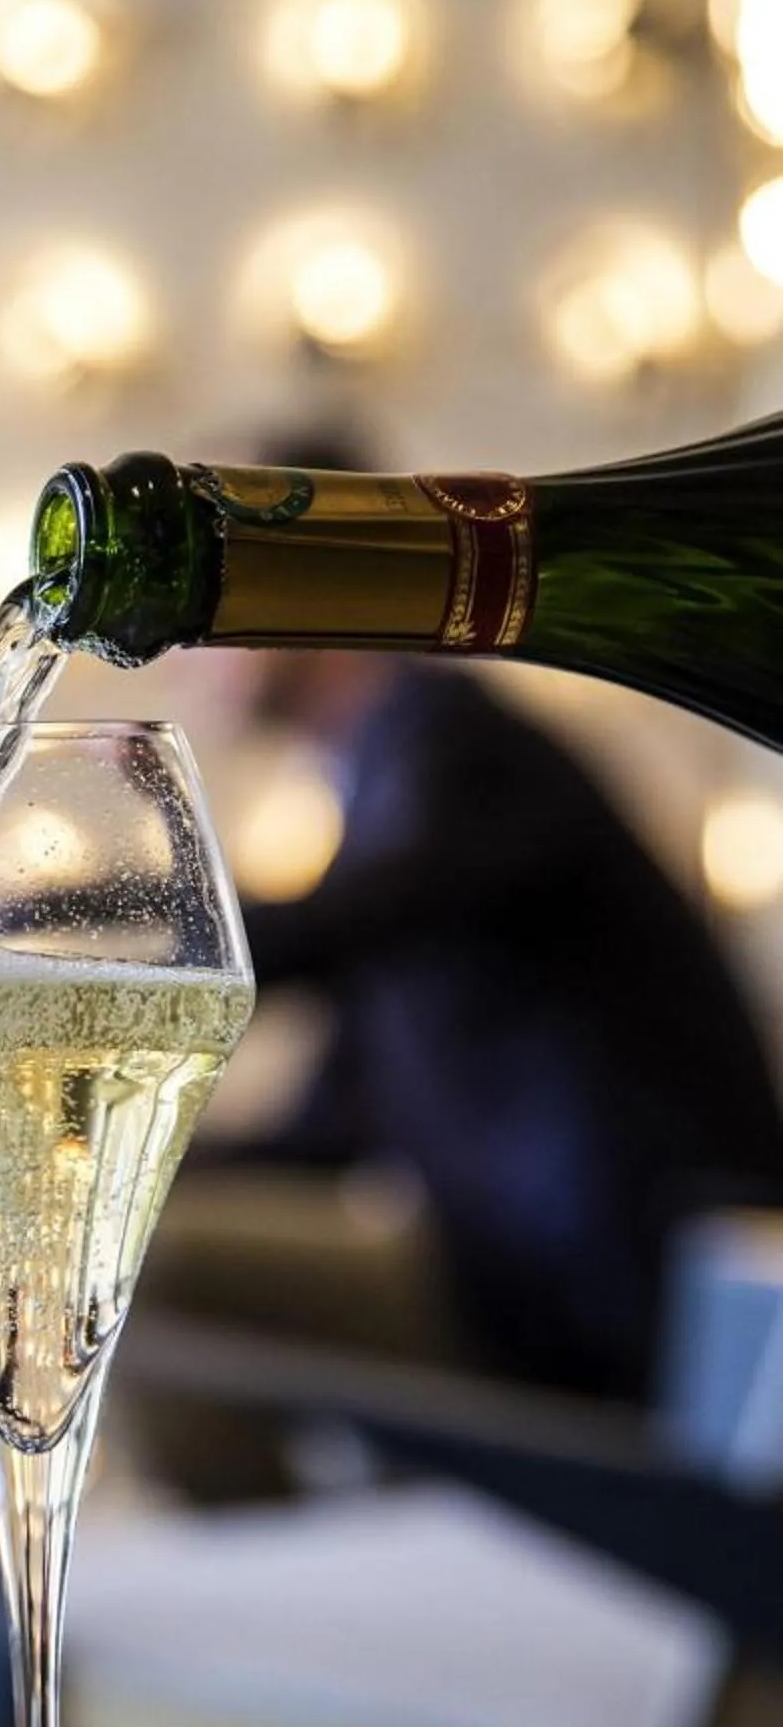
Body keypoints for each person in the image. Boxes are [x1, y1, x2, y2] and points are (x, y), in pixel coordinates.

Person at [196, 435, 783, 1404]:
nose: (182, 652)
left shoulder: (461, 752)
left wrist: (66, 958)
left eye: (211, 585)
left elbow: (326, 932)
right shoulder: (383, 797)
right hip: (517, 1274)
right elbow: (329, 1125)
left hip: (619, 1298)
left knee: (168, 1275)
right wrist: (57, 1167)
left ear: (300, 582)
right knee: (145, 1253)